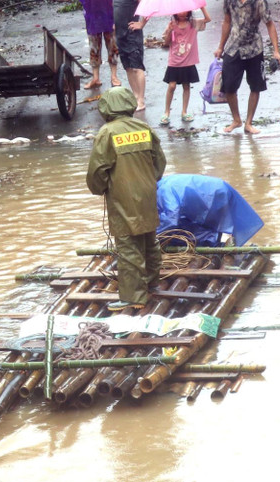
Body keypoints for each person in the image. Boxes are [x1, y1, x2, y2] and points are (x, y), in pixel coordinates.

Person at [85, 87, 167, 310]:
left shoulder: (107, 133)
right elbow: (159, 163)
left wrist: (100, 188)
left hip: (123, 197)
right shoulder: (144, 128)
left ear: (106, 107)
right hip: (147, 194)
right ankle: (152, 284)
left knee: (128, 245)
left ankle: (134, 297)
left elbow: (97, 171)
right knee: (149, 240)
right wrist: (149, 182)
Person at [214, 0, 280, 134]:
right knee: (229, 86)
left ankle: (249, 123)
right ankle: (236, 120)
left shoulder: (259, 2)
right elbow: (227, 22)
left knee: (255, 86)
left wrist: (276, 50)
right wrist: (220, 47)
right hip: (233, 48)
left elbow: (269, 23)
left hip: (254, 48)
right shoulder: (229, 1)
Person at [160, 7, 211, 126]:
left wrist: (202, 7)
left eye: (185, 10)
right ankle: (166, 112)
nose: (182, 13)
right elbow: (166, 43)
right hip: (174, 61)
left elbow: (208, 19)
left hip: (188, 61)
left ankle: (184, 111)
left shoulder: (193, 23)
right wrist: (170, 31)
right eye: (179, 10)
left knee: (186, 86)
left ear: (189, 11)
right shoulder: (172, 24)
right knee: (171, 86)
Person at [114, 0, 149, 110]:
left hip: (132, 34)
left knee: (136, 67)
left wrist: (142, 23)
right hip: (120, 34)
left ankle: (141, 100)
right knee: (128, 67)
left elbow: (147, 5)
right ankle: (135, 97)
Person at [81, 0, 122, 89]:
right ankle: (96, 78)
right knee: (94, 46)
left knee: (112, 45)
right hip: (91, 12)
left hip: (109, 11)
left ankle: (114, 76)